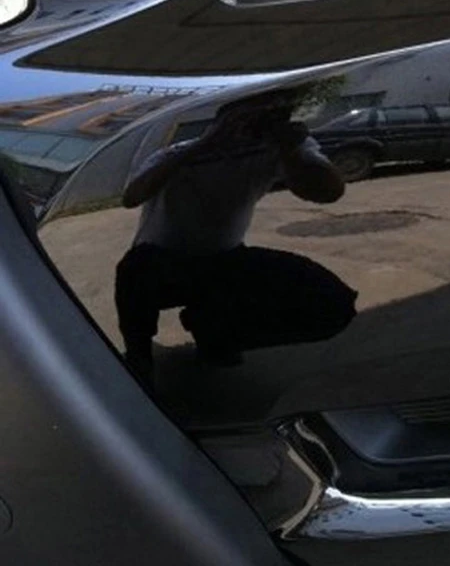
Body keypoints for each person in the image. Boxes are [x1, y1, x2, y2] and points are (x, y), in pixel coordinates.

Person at [115, 92, 357, 376]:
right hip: (163, 262)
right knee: (134, 270)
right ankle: (139, 357)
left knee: (332, 301)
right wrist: (205, 145)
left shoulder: (274, 150)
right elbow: (132, 196)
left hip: (226, 258)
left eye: (271, 117)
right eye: (245, 119)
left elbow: (328, 192)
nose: (253, 128)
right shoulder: (176, 154)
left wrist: (289, 150)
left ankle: (214, 331)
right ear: (219, 122)